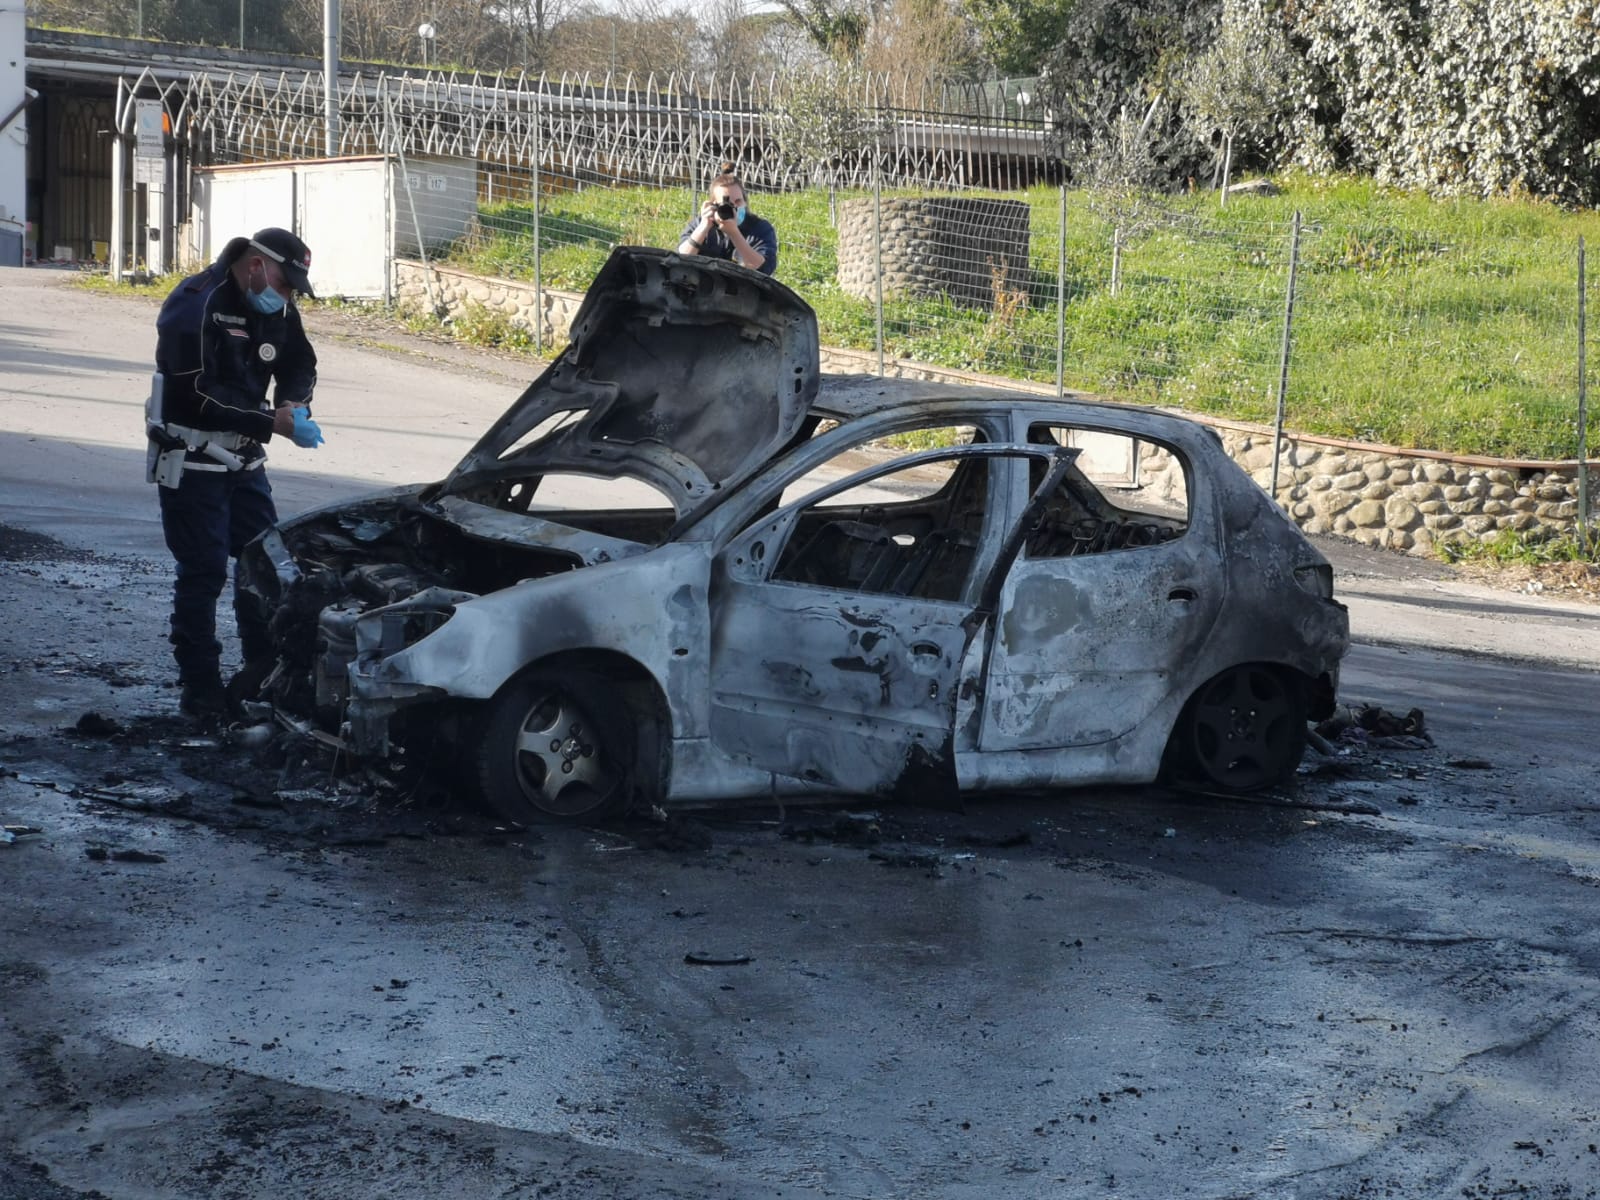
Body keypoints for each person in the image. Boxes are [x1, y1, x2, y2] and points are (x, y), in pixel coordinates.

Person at [148, 226, 326, 722]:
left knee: (261, 566)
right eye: (283, 284)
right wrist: (274, 422)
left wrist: (294, 402)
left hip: (245, 461)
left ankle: (261, 673)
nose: (286, 296)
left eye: (292, 289)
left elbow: (300, 362)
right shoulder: (193, 305)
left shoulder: (278, 309)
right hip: (194, 458)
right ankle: (200, 689)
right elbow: (195, 396)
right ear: (254, 266)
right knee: (202, 574)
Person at [676, 166, 778, 276]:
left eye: (738, 201)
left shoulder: (760, 228)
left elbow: (762, 269)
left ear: (745, 201)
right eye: (727, 203)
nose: (733, 207)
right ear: (713, 205)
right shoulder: (701, 224)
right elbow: (680, 260)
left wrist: (734, 233)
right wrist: (703, 228)